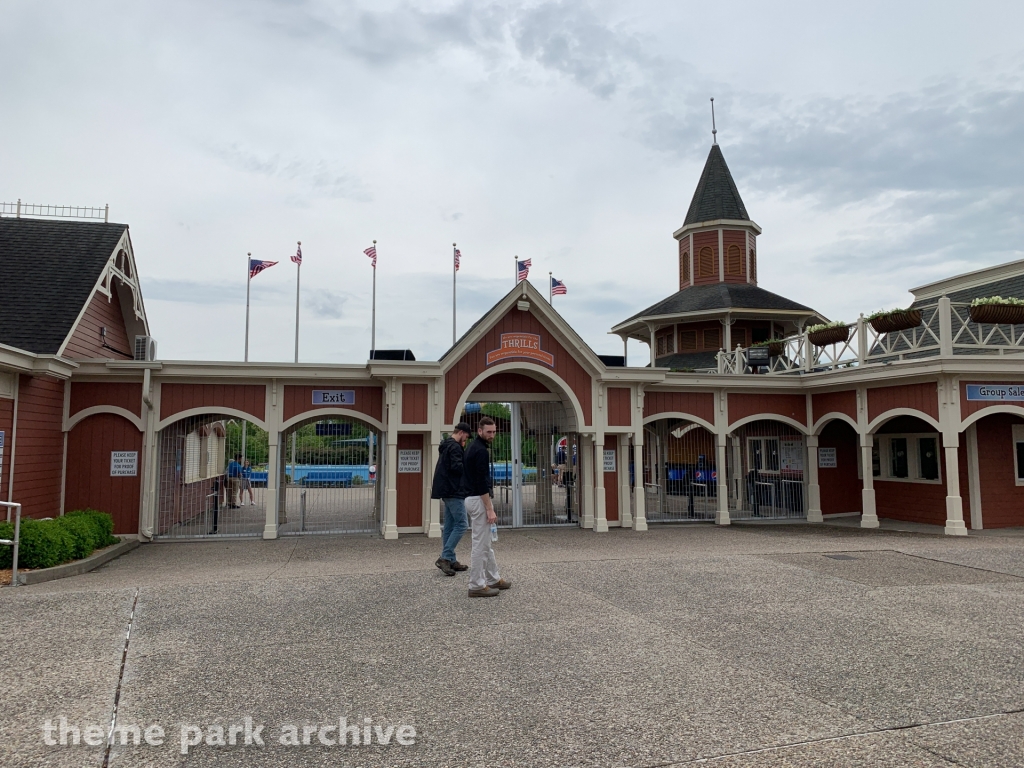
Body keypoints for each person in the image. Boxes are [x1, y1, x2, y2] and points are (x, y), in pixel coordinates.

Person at [463, 416, 511, 598]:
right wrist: (489, 508)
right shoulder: (480, 451)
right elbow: (481, 482)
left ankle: (493, 577)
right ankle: (476, 584)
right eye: (488, 432)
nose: (492, 435)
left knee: (486, 543)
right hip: (478, 498)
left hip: (472, 497)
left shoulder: (472, 448)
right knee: (480, 544)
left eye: (494, 431)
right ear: (480, 431)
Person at [431, 422, 472, 577]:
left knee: (449, 526)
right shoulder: (455, 447)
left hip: (445, 490)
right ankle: (445, 557)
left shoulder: (446, 445)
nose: (466, 440)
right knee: (462, 524)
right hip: (454, 490)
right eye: (466, 437)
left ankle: (451, 560)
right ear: (461, 433)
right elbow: (457, 468)